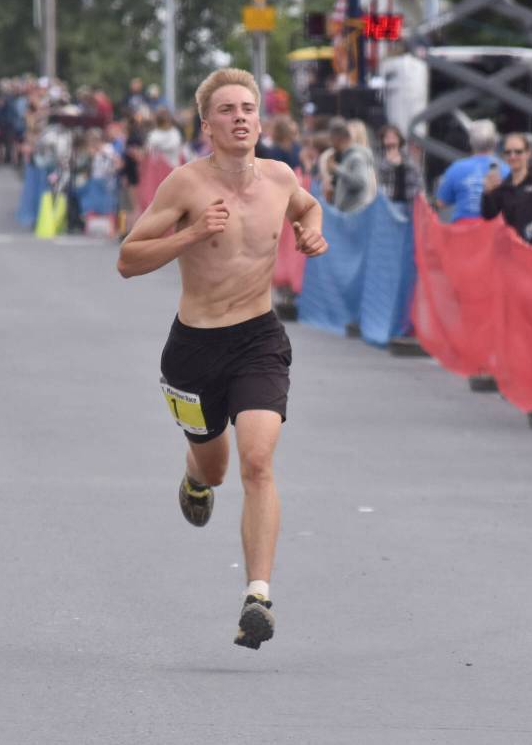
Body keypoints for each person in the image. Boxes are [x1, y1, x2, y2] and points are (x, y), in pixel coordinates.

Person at [116, 68, 328, 650]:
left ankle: (257, 595)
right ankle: (194, 474)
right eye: (228, 109)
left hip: (258, 339)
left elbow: (308, 210)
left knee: (258, 461)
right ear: (206, 124)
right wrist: (188, 235)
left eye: (249, 107)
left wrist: (311, 232)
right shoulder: (185, 185)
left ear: (260, 119)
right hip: (194, 350)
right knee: (216, 468)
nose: (241, 116)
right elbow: (128, 260)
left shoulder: (282, 178)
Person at [480, 132, 532, 245]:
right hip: (510, 250)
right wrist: (487, 193)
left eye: (518, 152)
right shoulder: (502, 186)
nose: (512, 156)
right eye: (508, 152)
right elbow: (489, 217)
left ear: (528, 153)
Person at [435, 119, 509, 222]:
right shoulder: (506, 169)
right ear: (495, 142)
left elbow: (441, 202)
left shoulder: (457, 168)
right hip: (494, 231)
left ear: (470, 142)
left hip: (463, 232)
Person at [327, 117, 377, 212]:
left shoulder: (357, 157)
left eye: (332, 139)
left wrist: (337, 169)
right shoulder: (347, 157)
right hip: (348, 215)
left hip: (355, 215)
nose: (331, 143)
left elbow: (360, 182)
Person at [375, 124, 422, 210]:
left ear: (399, 139)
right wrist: (388, 162)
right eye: (387, 137)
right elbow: (377, 178)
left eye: (393, 136)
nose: (390, 139)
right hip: (388, 205)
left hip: (408, 203)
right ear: (382, 140)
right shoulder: (378, 157)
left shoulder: (408, 157)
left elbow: (418, 178)